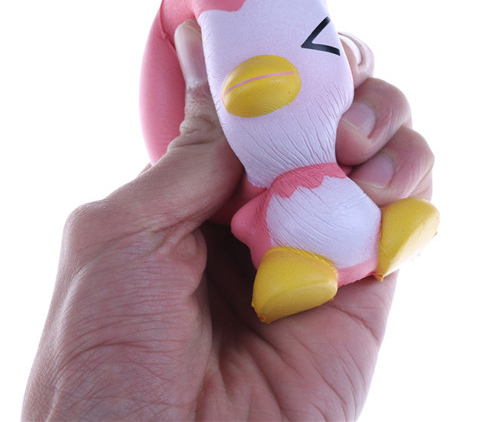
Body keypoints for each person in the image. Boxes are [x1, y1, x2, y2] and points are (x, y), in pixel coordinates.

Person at [22, 26, 434, 421]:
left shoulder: (301, 159)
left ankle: (388, 239)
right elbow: (242, 219)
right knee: (320, 225)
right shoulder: (251, 188)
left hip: (341, 225)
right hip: (308, 253)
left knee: (360, 148)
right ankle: (345, 257)